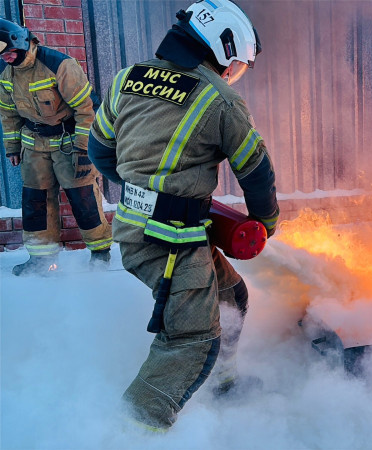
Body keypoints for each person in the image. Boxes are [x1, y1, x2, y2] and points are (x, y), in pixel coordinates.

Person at [88, 0, 279, 431]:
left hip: (147, 229)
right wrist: (265, 224)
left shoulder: (128, 78)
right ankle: (133, 429)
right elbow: (257, 172)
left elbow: (100, 150)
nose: (233, 74)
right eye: (235, 64)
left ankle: (222, 385)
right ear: (224, 47)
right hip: (170, 238)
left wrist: (143, 189)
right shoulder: (220, 99)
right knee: (194, 338)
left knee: (232, 297)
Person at [0, 18, 112, 275]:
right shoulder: (4, 72)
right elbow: (8, 113)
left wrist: (85, 150)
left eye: (8, 52)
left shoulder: (59, 65)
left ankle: (100, 253)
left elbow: (87, 109)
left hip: (68, 143)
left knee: (82, 197)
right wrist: (13, 147)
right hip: (34, 145)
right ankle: (40, 260)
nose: (5, 58)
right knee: (35, 202)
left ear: (20, 43)